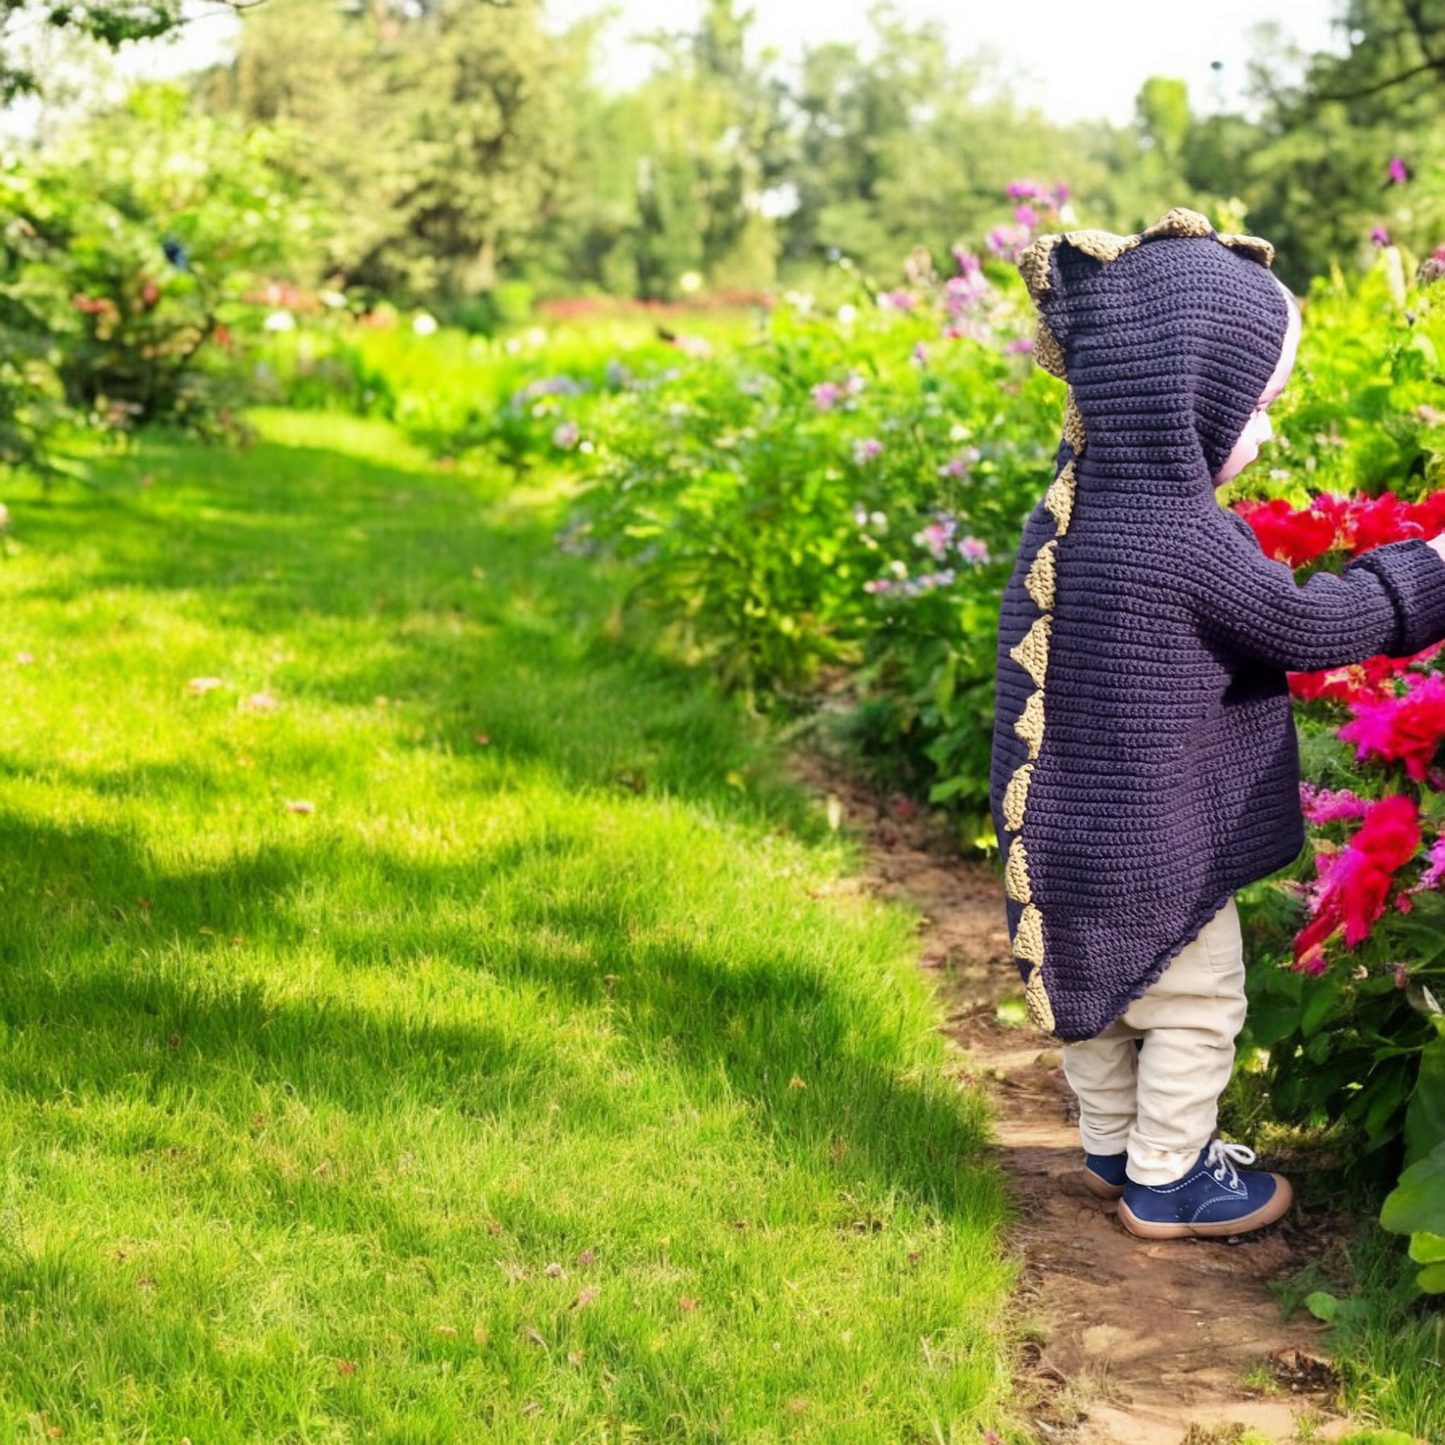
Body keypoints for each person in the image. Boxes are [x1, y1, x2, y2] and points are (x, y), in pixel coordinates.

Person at [987, 207, 1445, 1240]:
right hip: (1157, 851)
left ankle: (1110, 1144)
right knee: (1195, 1002)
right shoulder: (1186, 532)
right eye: (1259, 404)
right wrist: (1423, 570)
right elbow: (1307, 621)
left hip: (1063, 832)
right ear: (1187, 394)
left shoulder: (1064, 513)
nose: (1268, 429)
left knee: (1097, 999)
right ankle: (1168, 1176)